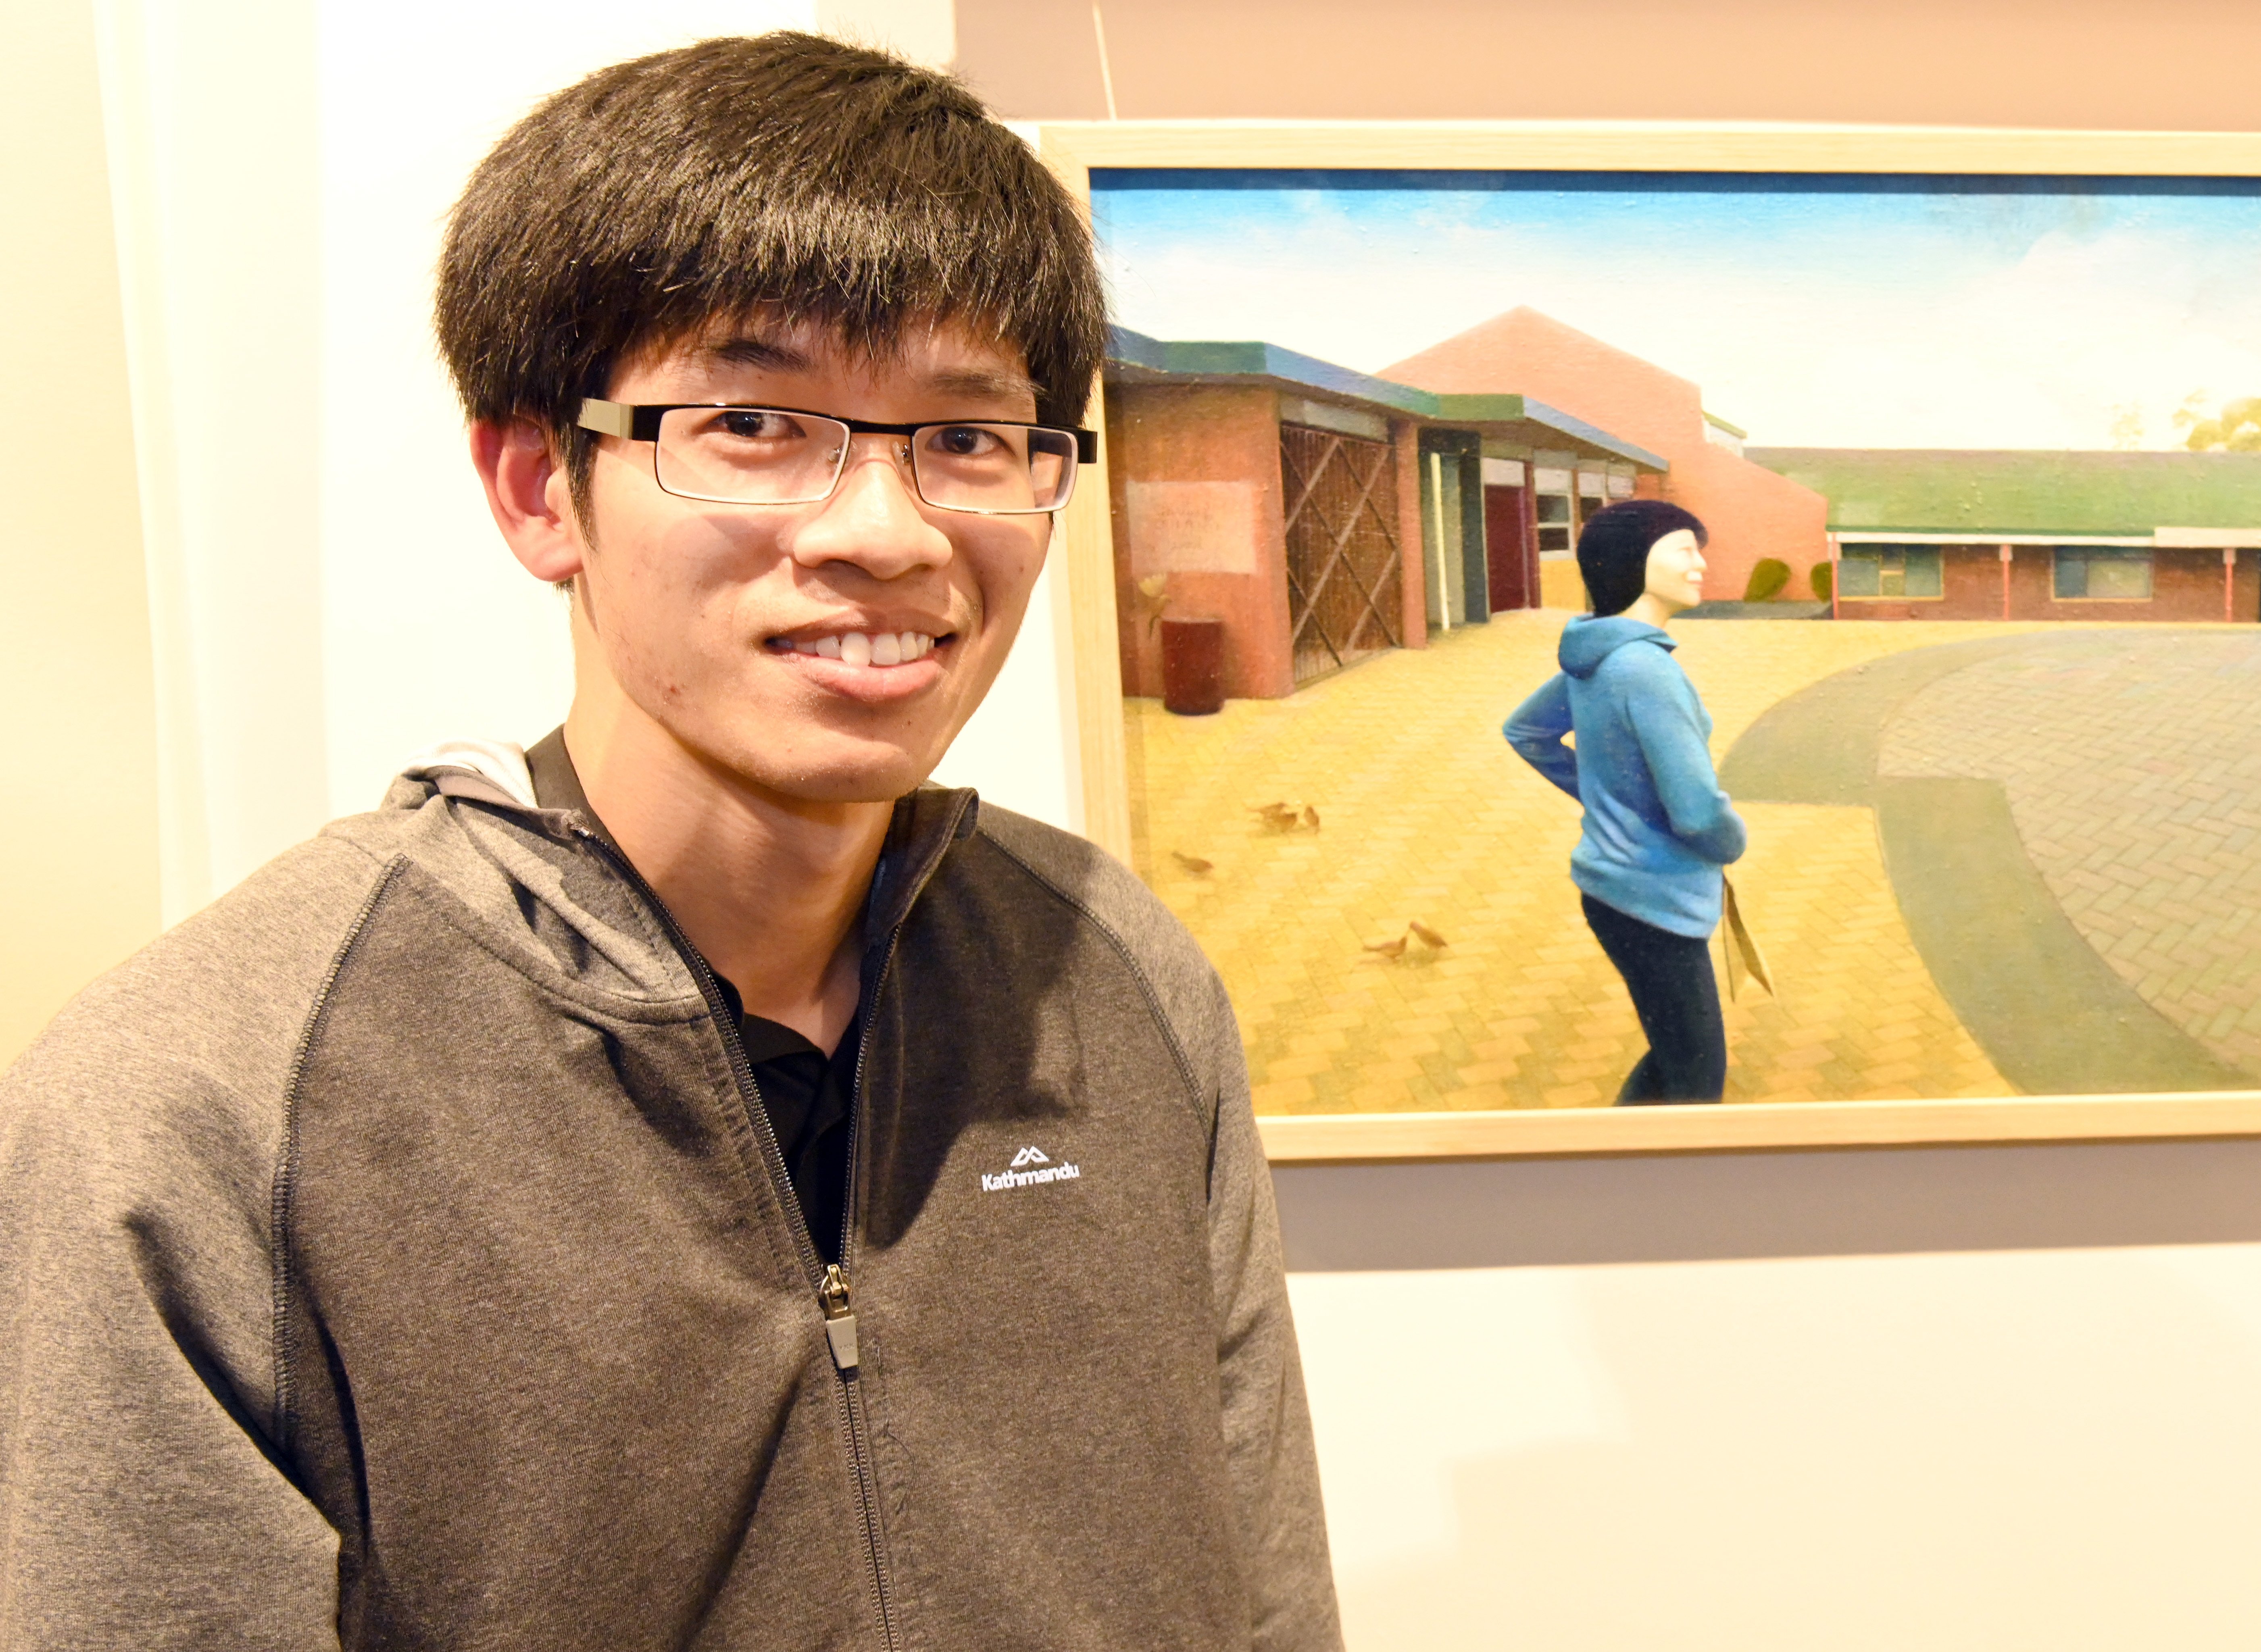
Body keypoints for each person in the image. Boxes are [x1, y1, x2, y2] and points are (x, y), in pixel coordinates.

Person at [0, 34, 1340, 1651]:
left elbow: (1263, 1588)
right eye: (758, 425)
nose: (889, 533)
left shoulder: (1112, 972)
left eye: (970, 440)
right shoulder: (205, 1093)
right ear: (536, 486)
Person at [1503, 499, 1748, 1105]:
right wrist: (1732, 840)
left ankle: (1610, 1171)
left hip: (1613, 892)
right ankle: (1636, 1186)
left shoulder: (1599, 653)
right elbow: (1696, 812)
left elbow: (1526, 732)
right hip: (1655, 902)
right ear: (1638, 560)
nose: (1701, 564)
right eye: (1685, 549)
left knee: (1675, 1058)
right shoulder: (1645, 669)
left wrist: (1607, 797)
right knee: (1696, 1080)